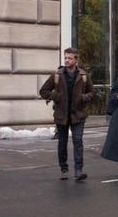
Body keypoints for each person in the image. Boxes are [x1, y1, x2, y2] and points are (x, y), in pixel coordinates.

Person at [39, 48, 96, 181]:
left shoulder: (83, 75)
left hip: (78, 115)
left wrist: (83, 97)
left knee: (77, 141)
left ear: (76, 60)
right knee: (62, 143)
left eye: (70, 58)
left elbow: (92, 93)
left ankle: (78, 170)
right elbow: (43, 91)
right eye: (65, 58)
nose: (66, 60)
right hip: (61, 115)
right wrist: (55, 96)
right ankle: (64, 169)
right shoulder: (57, 75)